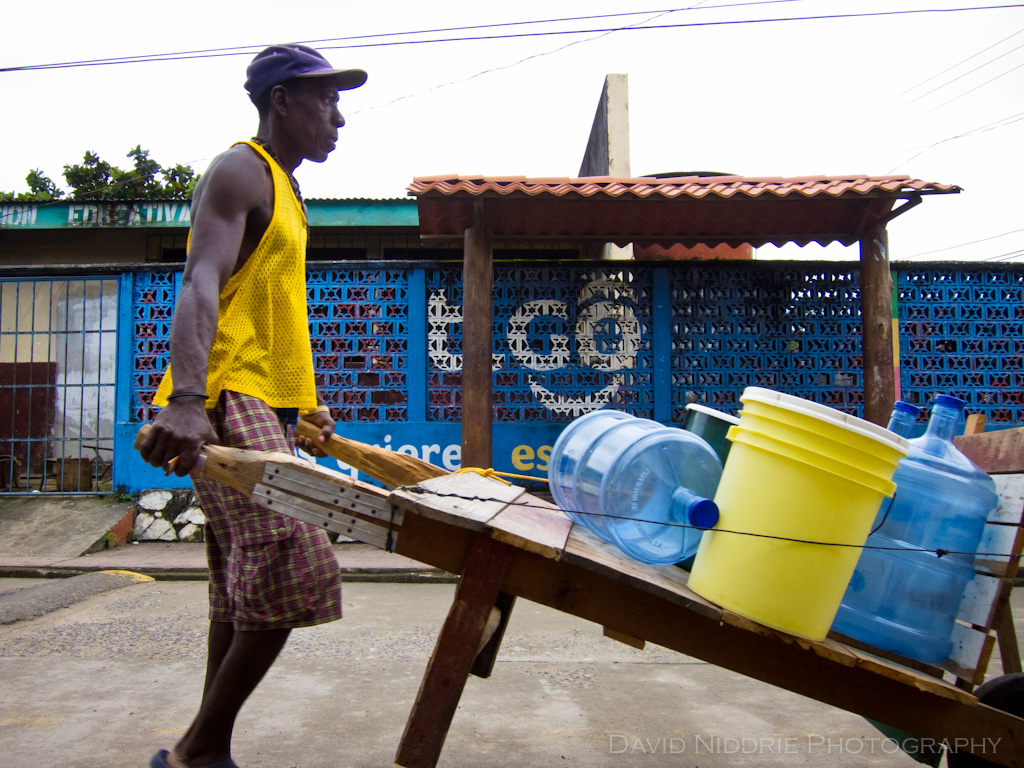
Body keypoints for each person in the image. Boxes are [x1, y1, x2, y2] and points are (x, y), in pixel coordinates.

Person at [138, 44, 367, 768]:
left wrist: (306, 405)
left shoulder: (287, 190)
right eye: (327, 100)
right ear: (283, 102)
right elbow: (200, 280)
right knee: (294, 555)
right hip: (224, 394)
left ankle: (205, 754)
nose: (339, 116)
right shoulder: (239, 169)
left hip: (256, 397)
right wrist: (187, 399)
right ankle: (197, 751)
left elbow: (275, 311)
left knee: (240, 581)